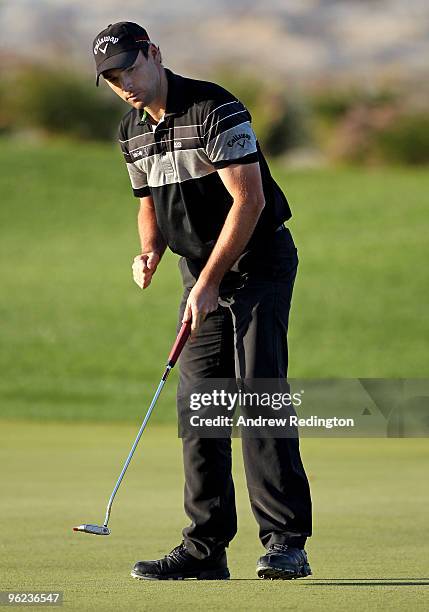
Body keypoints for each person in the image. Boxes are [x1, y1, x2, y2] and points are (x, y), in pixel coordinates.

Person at [92, 21, 312, 581]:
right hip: (201, 272)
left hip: (257, 263)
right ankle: (205, 547)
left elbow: (250, 200)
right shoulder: (131, 131)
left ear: (154, 54)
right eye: (114, 79)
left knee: (258, 393)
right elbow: (151, 200)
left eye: (130, 70)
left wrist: (209, 282)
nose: (126, 86)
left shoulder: (217, 109)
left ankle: (286, 542)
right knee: (200, 406)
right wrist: (150, 252)